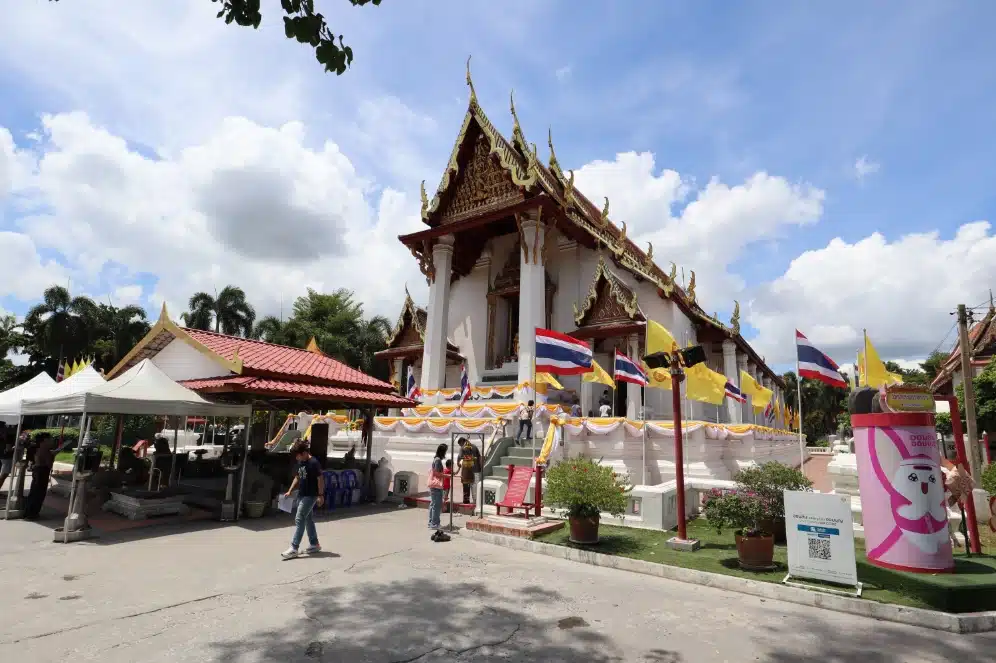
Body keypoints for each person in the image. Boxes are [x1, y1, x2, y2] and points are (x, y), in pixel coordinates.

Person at [281, 440, 325, 559]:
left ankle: (294, 547)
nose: (297, 458)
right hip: (302, 494)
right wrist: (290, 490)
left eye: (298, 455)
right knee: (308, 519)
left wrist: (320, 495)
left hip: (311, 495)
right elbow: (297, 477)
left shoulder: (314, 463)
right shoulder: (301, 462)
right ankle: (314, 544)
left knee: (299, 518)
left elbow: (320, 479)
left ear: (305, 452)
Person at [23, 432, 54, 520]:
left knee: (34, 491)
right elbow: (48, 464)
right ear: (45, 440)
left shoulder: (37, 448)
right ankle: (32, 513)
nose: (51, 441)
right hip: (42, 471)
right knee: (39, 493)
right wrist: (52, 456)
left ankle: (29, 512)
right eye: (49, 439)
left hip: (37, 470)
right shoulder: (45, 449)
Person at [427, 443, 449, 541]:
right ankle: (434, 523)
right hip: (436, 486)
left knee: (433, 504)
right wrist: (446, 476)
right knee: (436, 505)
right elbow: (437, 473)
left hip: (433, 485)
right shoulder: (438, 460)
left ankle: (431, 522)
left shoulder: (435, 459)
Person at [458, 437, 480, 504]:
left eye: (460, 444)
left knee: (466, 486)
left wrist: (458, 463)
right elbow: (479, 457)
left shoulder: (463, 447)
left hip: (466, 470)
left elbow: (460, 457)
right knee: (475, 487)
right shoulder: (475, 446)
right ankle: (476, 502)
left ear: (462, 442)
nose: (461, 446)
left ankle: (466, 501)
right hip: (476, 470)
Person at [0, 425, 13, 494]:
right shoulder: (8, 437)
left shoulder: (2, 438)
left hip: (2, 456)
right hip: (6, 457)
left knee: (3, 474)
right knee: (4, 475)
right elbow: (8, 449)